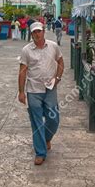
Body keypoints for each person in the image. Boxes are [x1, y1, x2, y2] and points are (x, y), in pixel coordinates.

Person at [18, 22, 64, 165]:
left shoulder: (53, 46)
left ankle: (46, 138)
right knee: (36, 122)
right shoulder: (26, 50)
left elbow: (61, 62)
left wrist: (57, 78)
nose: (37, 34)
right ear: (31, 34)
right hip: (33, 90)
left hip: (50, 89)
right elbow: (22, 71)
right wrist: (21, 92)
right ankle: (40, 152)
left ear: (44, 31)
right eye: (34, 32)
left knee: (54, 119)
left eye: (39, 31)